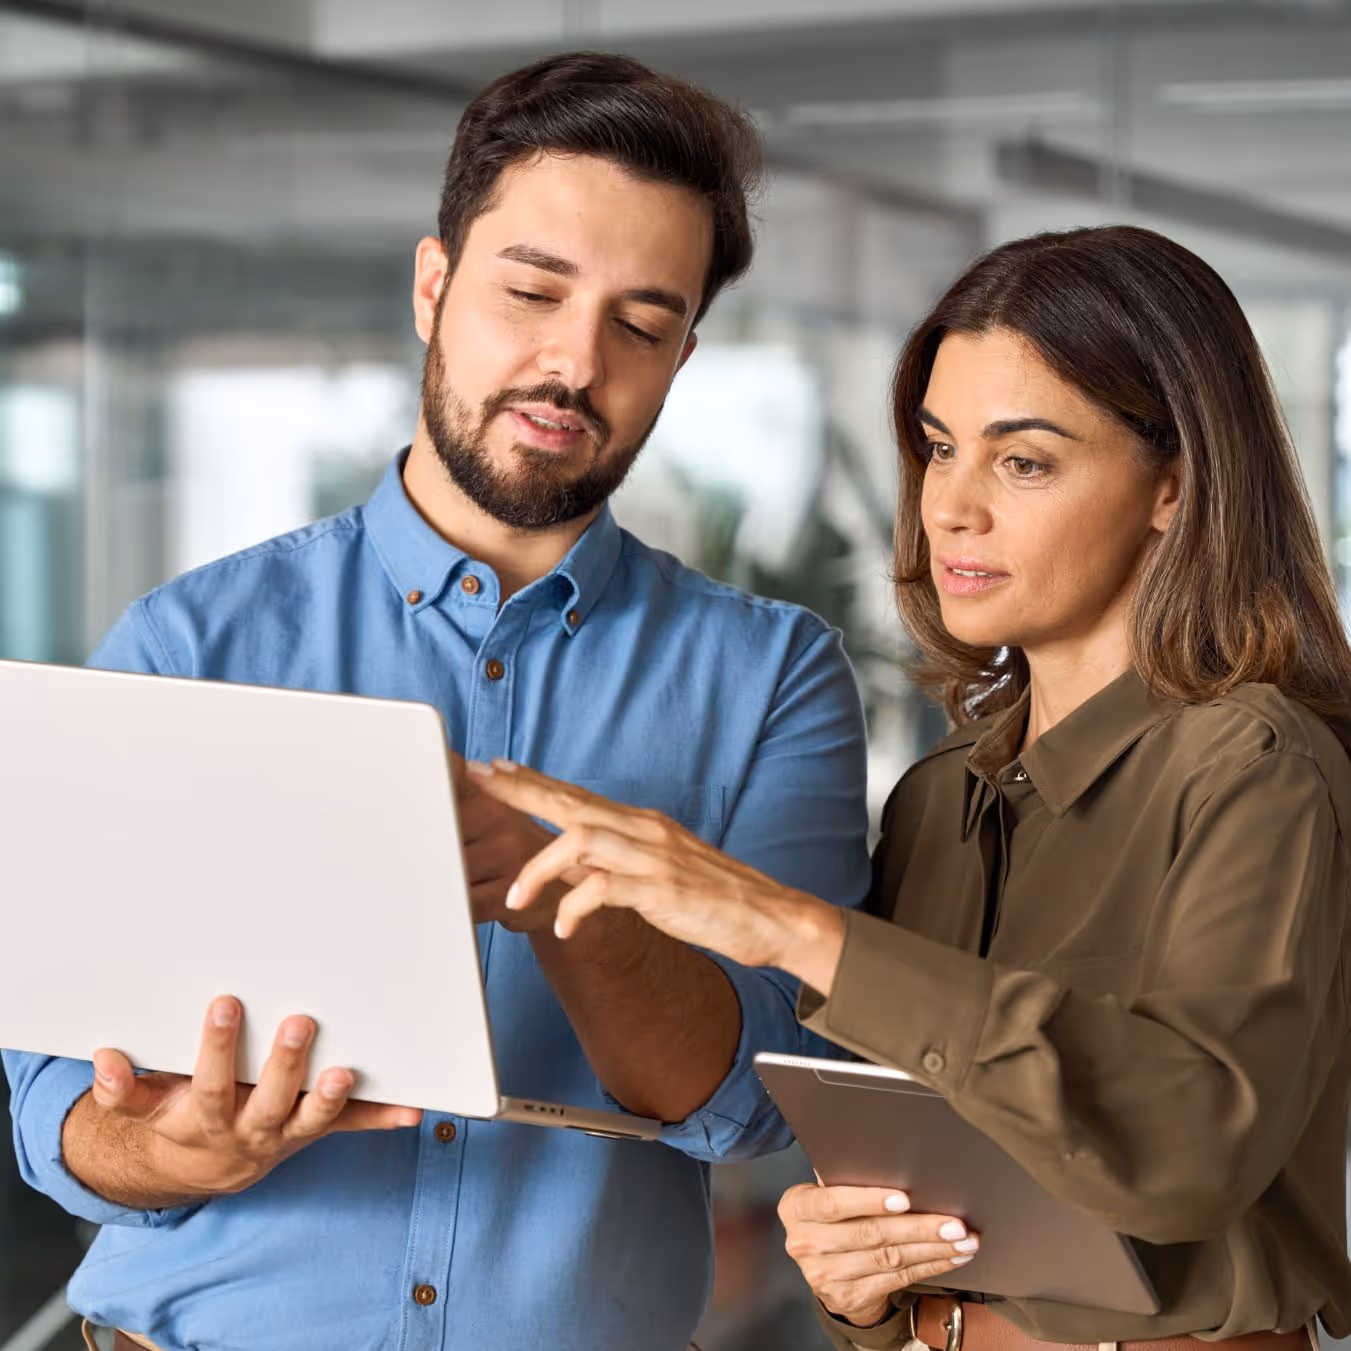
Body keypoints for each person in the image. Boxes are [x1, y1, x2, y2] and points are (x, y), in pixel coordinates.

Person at [1, 52, 872, 1351]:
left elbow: (758, 1100)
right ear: (432, 286)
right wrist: (168, 1150)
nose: (572, 362)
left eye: (639, 325)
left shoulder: (772, 677)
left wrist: (554, 882)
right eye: (531, 291)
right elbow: (52, 1105)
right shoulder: (189, 642)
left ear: (682, 356)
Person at [473, 225, 1351, 1351]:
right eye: (939, 449)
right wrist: (862, 1285)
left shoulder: (1258, 768)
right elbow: (921, 1194)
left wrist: (790, 926)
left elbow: (1187, 1150)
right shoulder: (938, 798)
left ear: (1172, 486)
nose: (950, 507)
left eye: (1022, 461)